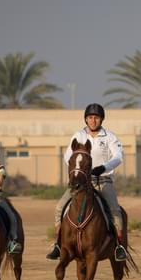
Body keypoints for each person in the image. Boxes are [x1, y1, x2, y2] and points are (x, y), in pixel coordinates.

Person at [46, 103, 128, 261]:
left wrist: (103, 168)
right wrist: (78, 173)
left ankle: (119, 246)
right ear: (85, 119)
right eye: (90, 117)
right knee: (59, 208)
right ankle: (57, 244)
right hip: (81, 182)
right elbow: (68, 156)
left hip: (103, 180)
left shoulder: (110, 137)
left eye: (96, 117)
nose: (93, 120)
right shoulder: (78, 136)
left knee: (115, 211)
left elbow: (118, 157)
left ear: (101, 119)